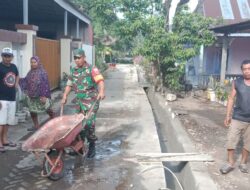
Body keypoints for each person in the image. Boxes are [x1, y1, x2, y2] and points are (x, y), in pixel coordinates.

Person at [61, 48, 105, 158]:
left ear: (84, 57)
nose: (76, 60)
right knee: (77, 124)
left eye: (79, 58)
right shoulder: (74, 70)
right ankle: (79, 148)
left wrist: (101, 91)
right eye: (75, 58)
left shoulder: (92, 69)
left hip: (91, 101)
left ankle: (92, 146)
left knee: (89, 124)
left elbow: (100, 80)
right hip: (80, 102)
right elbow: (69, 84)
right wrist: (65, 95)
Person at [220, 60, 250, 174]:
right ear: (242, 70)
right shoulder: (237, 82)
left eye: (249, 68)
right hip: (237, 117)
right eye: (245, 69)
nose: (247, 71)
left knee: (248, 143)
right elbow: (231, 98)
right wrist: (228, 115)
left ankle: (243, 163)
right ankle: (230, 163)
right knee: (231, 140)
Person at [19, 56, 55, 131]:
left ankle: (54, 123)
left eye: (34, 62)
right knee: (32, 111)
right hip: (32, 96)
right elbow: (26, 81)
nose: (33, 64)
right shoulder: (30, 72)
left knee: (48, 109)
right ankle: (36, 126)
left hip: (41, 95)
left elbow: (45, 84)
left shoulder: (43, 72)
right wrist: (18, 80)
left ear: (38, 62)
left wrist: (44, 96)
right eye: (31, 62)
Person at [0, 47, 19, 153]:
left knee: (8, 121)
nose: (7, 58)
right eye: (5, 56)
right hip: (1, 99)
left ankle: (5, 140)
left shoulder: (14, 66)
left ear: (12, 57)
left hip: (12, 98)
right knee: (1, 122)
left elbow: (17, 75)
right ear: (2, 56)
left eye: (9, 56)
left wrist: (16, 84)